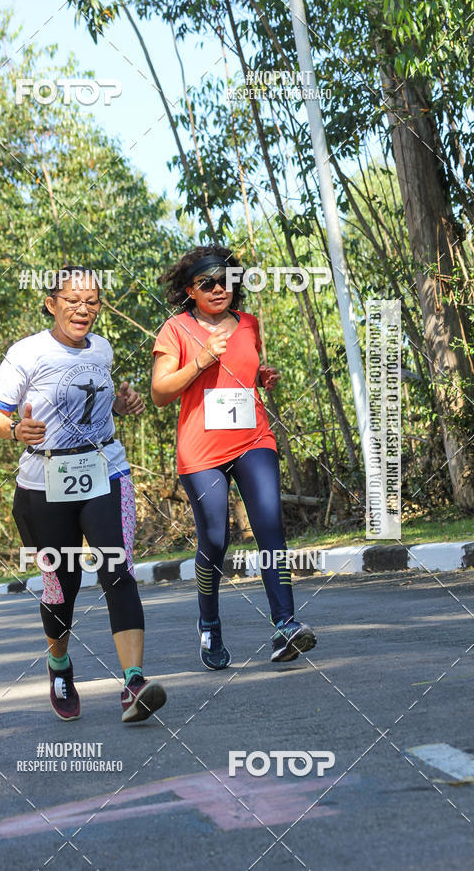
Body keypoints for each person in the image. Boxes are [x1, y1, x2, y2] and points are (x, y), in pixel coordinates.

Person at [0, 266, 167, 722]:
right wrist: (14, 429)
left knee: (117, 569)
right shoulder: (26, 353)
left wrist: (121, 405)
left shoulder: (101, 350)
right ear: (51, 303)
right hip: (43, 483)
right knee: (61, 586)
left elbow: (95, 405)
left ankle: (134, 683)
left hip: (105, 470)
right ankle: (60, 665)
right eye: (72, 300)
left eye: (92, 302)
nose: (83, 309)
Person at [151, 246, 316, 669]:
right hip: (201, 449)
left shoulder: (248, 324)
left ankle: (285, 627)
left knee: (270, 526)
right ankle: (209, 623)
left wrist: (261, 376)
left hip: (253, 438)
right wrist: (201, 361)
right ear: (191, 290)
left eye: (226, 280)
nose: (219, 288)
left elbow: (242, 368)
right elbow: (160, 393)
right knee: (215, 540)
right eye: (207, 283)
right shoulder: (176, 329)